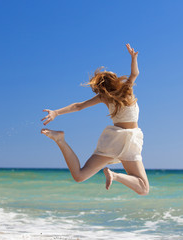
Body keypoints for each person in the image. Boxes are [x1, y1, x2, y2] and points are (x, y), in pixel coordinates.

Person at [41, 44, 149, 195]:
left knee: (79, 175)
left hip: (114, 140)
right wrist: (134, 58)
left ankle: (60, 140)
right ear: (115, 80)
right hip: (130, 139)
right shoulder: (126, 89)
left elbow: (78, 106)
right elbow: (135, 73)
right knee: (143, 189)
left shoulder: (104, 97)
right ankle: (115, 175)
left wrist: (56, 113)